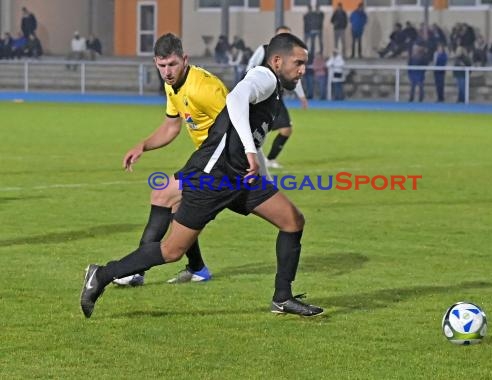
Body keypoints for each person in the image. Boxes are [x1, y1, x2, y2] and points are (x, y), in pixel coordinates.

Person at [80, 32, 324, 319]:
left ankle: (283, 298)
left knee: (292, 221)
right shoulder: (265, 76)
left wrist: (256, 163)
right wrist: (247, 150)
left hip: (239, 176)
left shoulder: (275, 87)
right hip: (214, 175)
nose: (303, 70)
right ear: (277, 60)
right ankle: (102, 274)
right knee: (171, 250)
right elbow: (235, 100)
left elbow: (251, 138)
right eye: (298, 63)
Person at [112, 33, 273, 288]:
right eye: (162, 65)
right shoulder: (172, 84)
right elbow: (171, 128)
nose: (167, 71)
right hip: (208, 159)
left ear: (184, 59)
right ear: (155, 62)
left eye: (172, 64)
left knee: (162, 194)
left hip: (221, 162)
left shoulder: (204, 89)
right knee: (178, 208)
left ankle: (136, 270)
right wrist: (143, 145)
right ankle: (198, 269)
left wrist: (250, 162)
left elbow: (237, 122)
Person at [246, 25, 308, 169]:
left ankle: (270, 160)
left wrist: (302, 97)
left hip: (276, 99)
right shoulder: (263, 50)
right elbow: (250, 66)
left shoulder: (293, 57)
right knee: (253, 132)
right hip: (260, 98)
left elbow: (295, 77)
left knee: (286, 129)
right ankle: (245, 162)